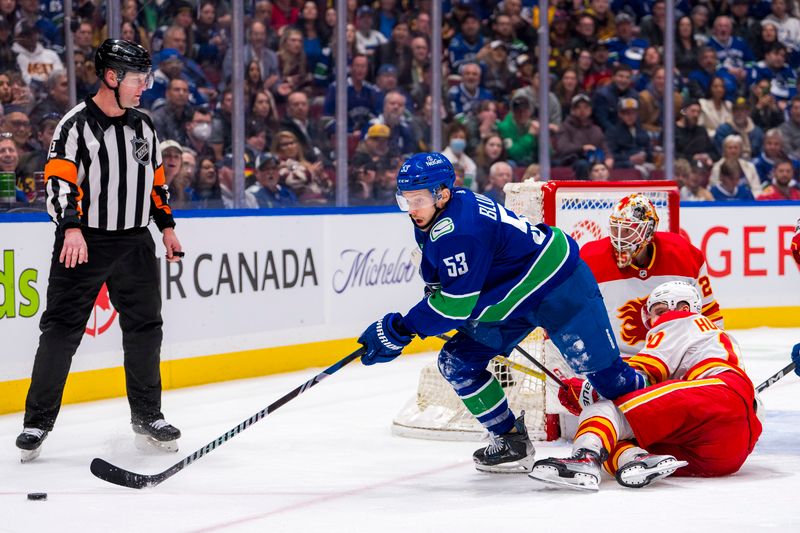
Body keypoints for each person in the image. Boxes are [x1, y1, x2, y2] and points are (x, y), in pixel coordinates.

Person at [356, 153, 647, 474]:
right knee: (458, 362)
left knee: (611, 380)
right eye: (405, 199)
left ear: (443, 194)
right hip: (511, 295)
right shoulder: (435, 215)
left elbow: (455, 304)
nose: (411, 209)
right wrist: (425, 306)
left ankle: (659, 417)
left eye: (419, 199)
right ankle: (511, 440)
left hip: (559, 284)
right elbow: (446, 283)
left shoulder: (459, 230)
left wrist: (402, 328)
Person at [15, 40, 183, 462]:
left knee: (146, 329)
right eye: (139, 78)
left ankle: (148, 415)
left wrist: (166, 227)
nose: (146, 85)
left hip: (134, 243)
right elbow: (58, 182)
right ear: (112, 77)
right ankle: (37, 421)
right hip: (84, 241)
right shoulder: (73, 126)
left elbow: (155, 181)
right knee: (60, 331)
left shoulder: (144, 125)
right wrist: (70, 227)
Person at [530, 281, 762, 491]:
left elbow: (636, 379)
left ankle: (585, 457)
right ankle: (634, 458)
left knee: (605, 409)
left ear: (684, 308)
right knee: (615, 436)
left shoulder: (679, 321)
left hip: (713, 398)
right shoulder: (717, 338)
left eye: (660, 310)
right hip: (730, 452)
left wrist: (591, 391)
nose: (656, 319)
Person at [580, 194, 723, 356]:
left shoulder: (684, 254)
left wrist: (716, 356)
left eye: (628, 231)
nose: (620, 239)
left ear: (649, 230)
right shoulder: (590, 259)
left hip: (672, 360)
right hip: (617, 363)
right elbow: (570, 316)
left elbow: (709, 313)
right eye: (615, 229)